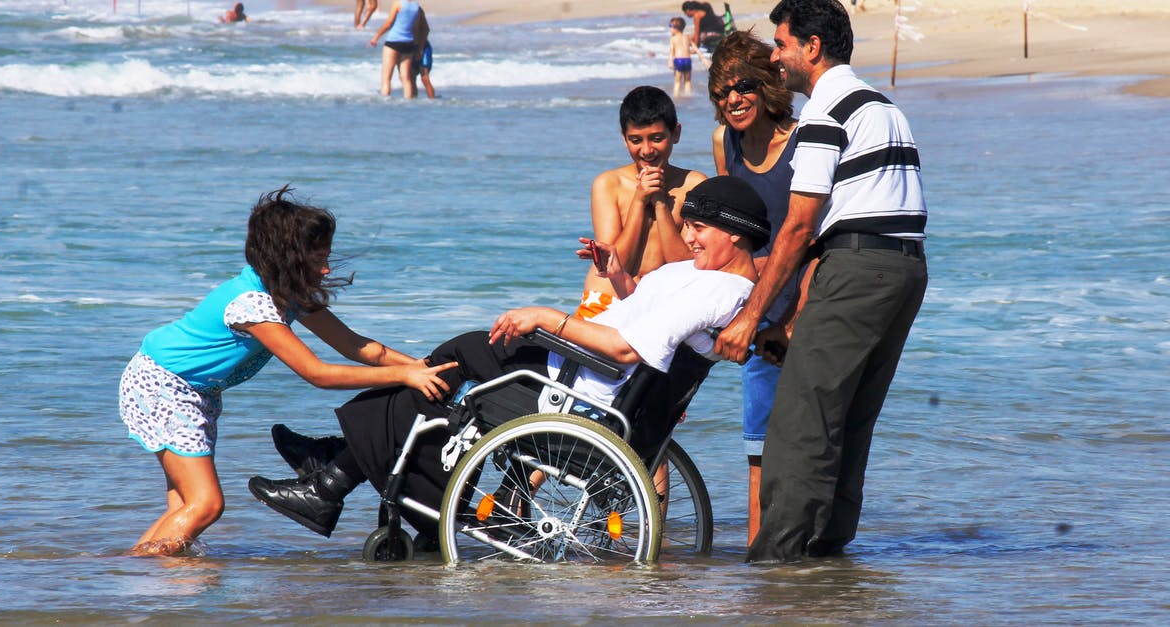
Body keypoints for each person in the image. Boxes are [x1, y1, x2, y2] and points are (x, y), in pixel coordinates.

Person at [247, 176, 770, 541]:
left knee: (456, 359)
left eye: (699, 228)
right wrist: (617, 275)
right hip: (584, 370)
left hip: (587, 387)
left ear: (736, 232)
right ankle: (339, 465)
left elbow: (627, 348)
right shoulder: (699, 277)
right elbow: (638, 318)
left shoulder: (719, 291)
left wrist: (545, 317)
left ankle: (334, 474)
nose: (687, 236)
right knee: (438, 375)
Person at [119, 186, 457, 556]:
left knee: (185, 507)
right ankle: (141, 574)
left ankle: (141, 580)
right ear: (287, 259)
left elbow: (358, 347)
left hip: (191, 390)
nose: (326, 268)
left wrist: (425, 367)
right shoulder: (253, 305)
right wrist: (404, 377)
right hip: (163, 386)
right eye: (318, 259)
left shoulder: (287, 294)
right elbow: (317, 373)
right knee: (206, 505)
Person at [714, 0, 928, 562]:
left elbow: (798, 227)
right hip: (906, 269)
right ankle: (829, 564)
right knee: (849, 420)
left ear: (812, 48)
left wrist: (749, 320)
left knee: (798, 424)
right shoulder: (885, 107)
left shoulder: (824, 113)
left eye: (782, 44)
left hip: (857, 266)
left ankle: (777, 567)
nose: (776, 58)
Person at [707, 29, 803, 548]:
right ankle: (758, 565)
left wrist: (793, 319)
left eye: (742, 86)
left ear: (766, 83)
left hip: (805, 303)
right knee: (758, 452)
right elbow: (737, 228)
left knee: (809, 446)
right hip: (758, 312)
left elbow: (814, 237)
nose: (733, 101)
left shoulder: (804, 137)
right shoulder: (727, 143)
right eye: (722, 94)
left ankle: (810, 557)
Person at [578, 86, 706, 320]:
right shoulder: (608, 184)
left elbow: (688, 268)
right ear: (624, 138)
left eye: (656, 139)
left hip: (662, 307)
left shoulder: (693, 184)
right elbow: (615, 266)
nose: (646, 150)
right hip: (607, 299)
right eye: (636, 140)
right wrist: (639, 200)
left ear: (675, 133)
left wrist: (659, 204)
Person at [369, 0, 425, 99]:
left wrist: (376, 37)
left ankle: (385, 103)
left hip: (394, 41)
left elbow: (389, 23)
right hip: (408, 42)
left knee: (386, 78)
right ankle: (408, 104)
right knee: (406, 78)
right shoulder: (416, 5)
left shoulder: (398, 3)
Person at [667, 17, 701, 98]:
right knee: (687, 81)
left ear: (675, 28)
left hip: (678, 61)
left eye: (670, 26)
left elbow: (672, 52)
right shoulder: (687, 37)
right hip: (687, 60)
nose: (669, 29)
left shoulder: (673, 38)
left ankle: (676, 96)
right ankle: (688, 94)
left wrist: (670, 62)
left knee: (677, 81)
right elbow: (694, 49)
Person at [409, 9, 437, 99]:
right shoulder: (400, 11)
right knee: (411, 78)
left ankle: (433, 102)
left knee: (424, 78)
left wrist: (420, 48)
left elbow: (426, 30)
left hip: (423, 49)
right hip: (411, 50)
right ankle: (414, 104)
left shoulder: (417, 10)